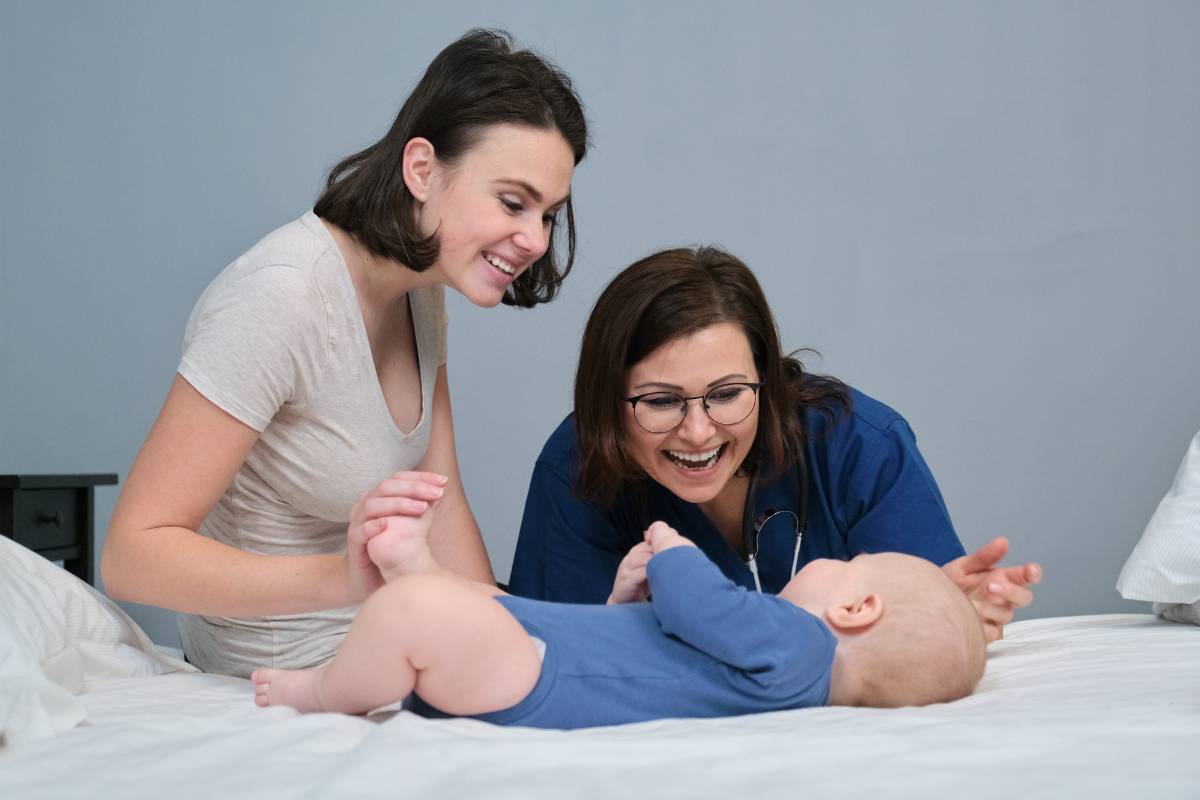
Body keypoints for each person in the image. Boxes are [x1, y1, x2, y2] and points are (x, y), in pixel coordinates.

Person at [100, 29, 589, 677]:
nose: (533, 238)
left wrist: (524, 627)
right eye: (513, 202)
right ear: (422, 170)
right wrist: (347, 579)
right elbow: (133, 557)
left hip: (388, 635)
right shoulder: (282, 296)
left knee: (580, 668)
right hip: (285, 673)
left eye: (549, 214)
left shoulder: (422, 291)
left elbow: (439, 505)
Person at [508, 246, 1040, 641]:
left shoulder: (860, 447)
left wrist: (958, 615)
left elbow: (923, 629)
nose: (698, 431)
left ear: (766, 379)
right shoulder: (575, 469)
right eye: (661, 401)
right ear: (609, 397)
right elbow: (562, 655)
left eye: (728, 393)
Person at [251, 480, 988, 728]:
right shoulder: (783, 672)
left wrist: (673, 550)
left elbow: (703, 606)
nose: (838, 554)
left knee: (413, 618)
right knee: (476, 608)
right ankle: (418, 571)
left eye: (850, 562)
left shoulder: (802, 646)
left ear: (855, 610)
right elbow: (654, 653)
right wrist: (628, 598)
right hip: (557, 656)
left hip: (540, 676)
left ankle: (319, 690)